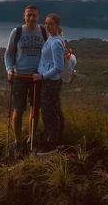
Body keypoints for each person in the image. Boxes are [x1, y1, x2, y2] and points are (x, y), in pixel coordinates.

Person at [4, 5, 47, 158]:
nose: (31, 18)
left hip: (37, 77)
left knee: (35, 111)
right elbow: (8, 54)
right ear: (24, 16)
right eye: (29, 15)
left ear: (38, 16)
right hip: (20, 77)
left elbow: (48, 54)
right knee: (18, 110)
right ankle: (17, 142)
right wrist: (9, 69)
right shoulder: (17, 32)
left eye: (34, 15)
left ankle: (31, 139)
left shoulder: (43, 32)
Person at [33, 13, 66, 154]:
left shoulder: (56, 43)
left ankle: (51, 144)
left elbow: (58, 67)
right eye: (46, 23)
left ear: (57, 25)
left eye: (51, 24)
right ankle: (57, 141)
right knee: (55, 111)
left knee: (49, 113)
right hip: (50, 81)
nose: (47, 26)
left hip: (50, 82)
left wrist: (42, 76)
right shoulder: (53, 38)